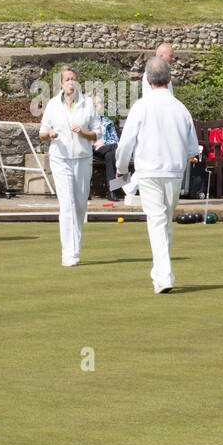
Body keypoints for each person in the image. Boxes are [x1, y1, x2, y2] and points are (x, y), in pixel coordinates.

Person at [116, 56, 201, 293]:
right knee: (163, 221)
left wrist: (122, 169)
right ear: (169, 78)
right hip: (173, 172)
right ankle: (160, 273)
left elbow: (125, 145)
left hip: (150, 171)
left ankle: (164, 277)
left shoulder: (141, 106)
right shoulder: (180, 107)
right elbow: (193, 147)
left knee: (158, 221)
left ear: (147, 79)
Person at [39, 66, 100, 267]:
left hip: (82, 158)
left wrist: (83, 132)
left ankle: (75, 247)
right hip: (60, 158)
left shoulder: (87, 104)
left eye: (73, 78)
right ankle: (68, 253)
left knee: (80, 205)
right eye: (67, 79)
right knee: (67, 205)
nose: (70, 82)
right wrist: (51, 135)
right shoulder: (53, 105)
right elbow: (42, 132)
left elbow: (96, 133)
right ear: (61, 83)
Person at [124, 43, 176, 205]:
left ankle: (128, 189)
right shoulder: (151, 74)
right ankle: (126, 188)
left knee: (153, 161)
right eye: (171, 56)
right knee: (149, 161)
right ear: (161, 56)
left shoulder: (163, 73)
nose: (173, 59)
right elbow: (153, 101)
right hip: (153, 124)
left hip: (162, 123)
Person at [92, 92, 123, 199]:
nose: (102, 105)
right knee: (117, 148)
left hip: (106, 149)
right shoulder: (87, 121)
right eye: (100, 103)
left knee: (111, 155)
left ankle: (112, 191)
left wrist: (106, 145)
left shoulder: (106, 121)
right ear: (94, 106)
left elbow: (114, 139)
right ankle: (113, 191)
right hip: (93, 150)